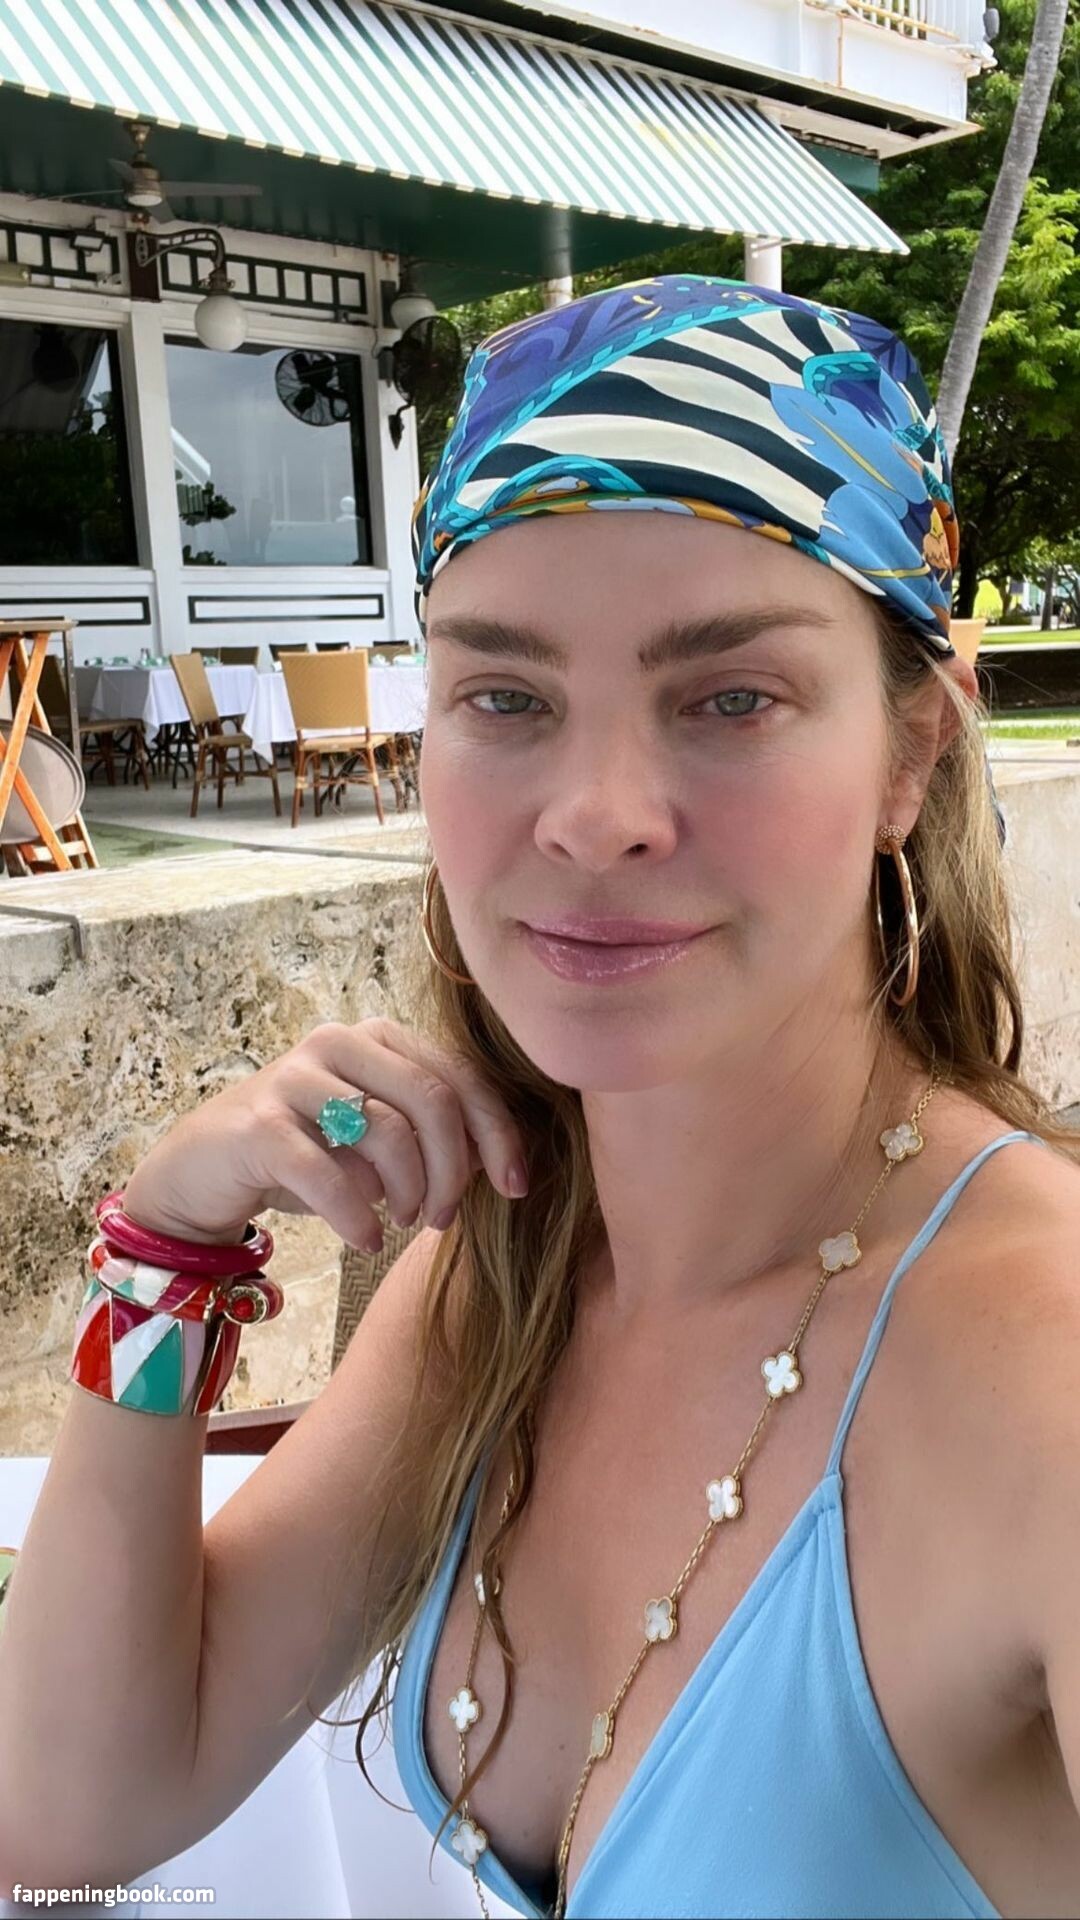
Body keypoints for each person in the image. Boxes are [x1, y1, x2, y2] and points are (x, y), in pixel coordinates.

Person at [1, 275, 1079, 1919]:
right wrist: (163, 1251)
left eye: (732, 698)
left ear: (912, 754)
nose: (594, 814)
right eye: (505, 697)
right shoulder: (499, 1281)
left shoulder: (1041, 1365)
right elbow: (71, 1805)